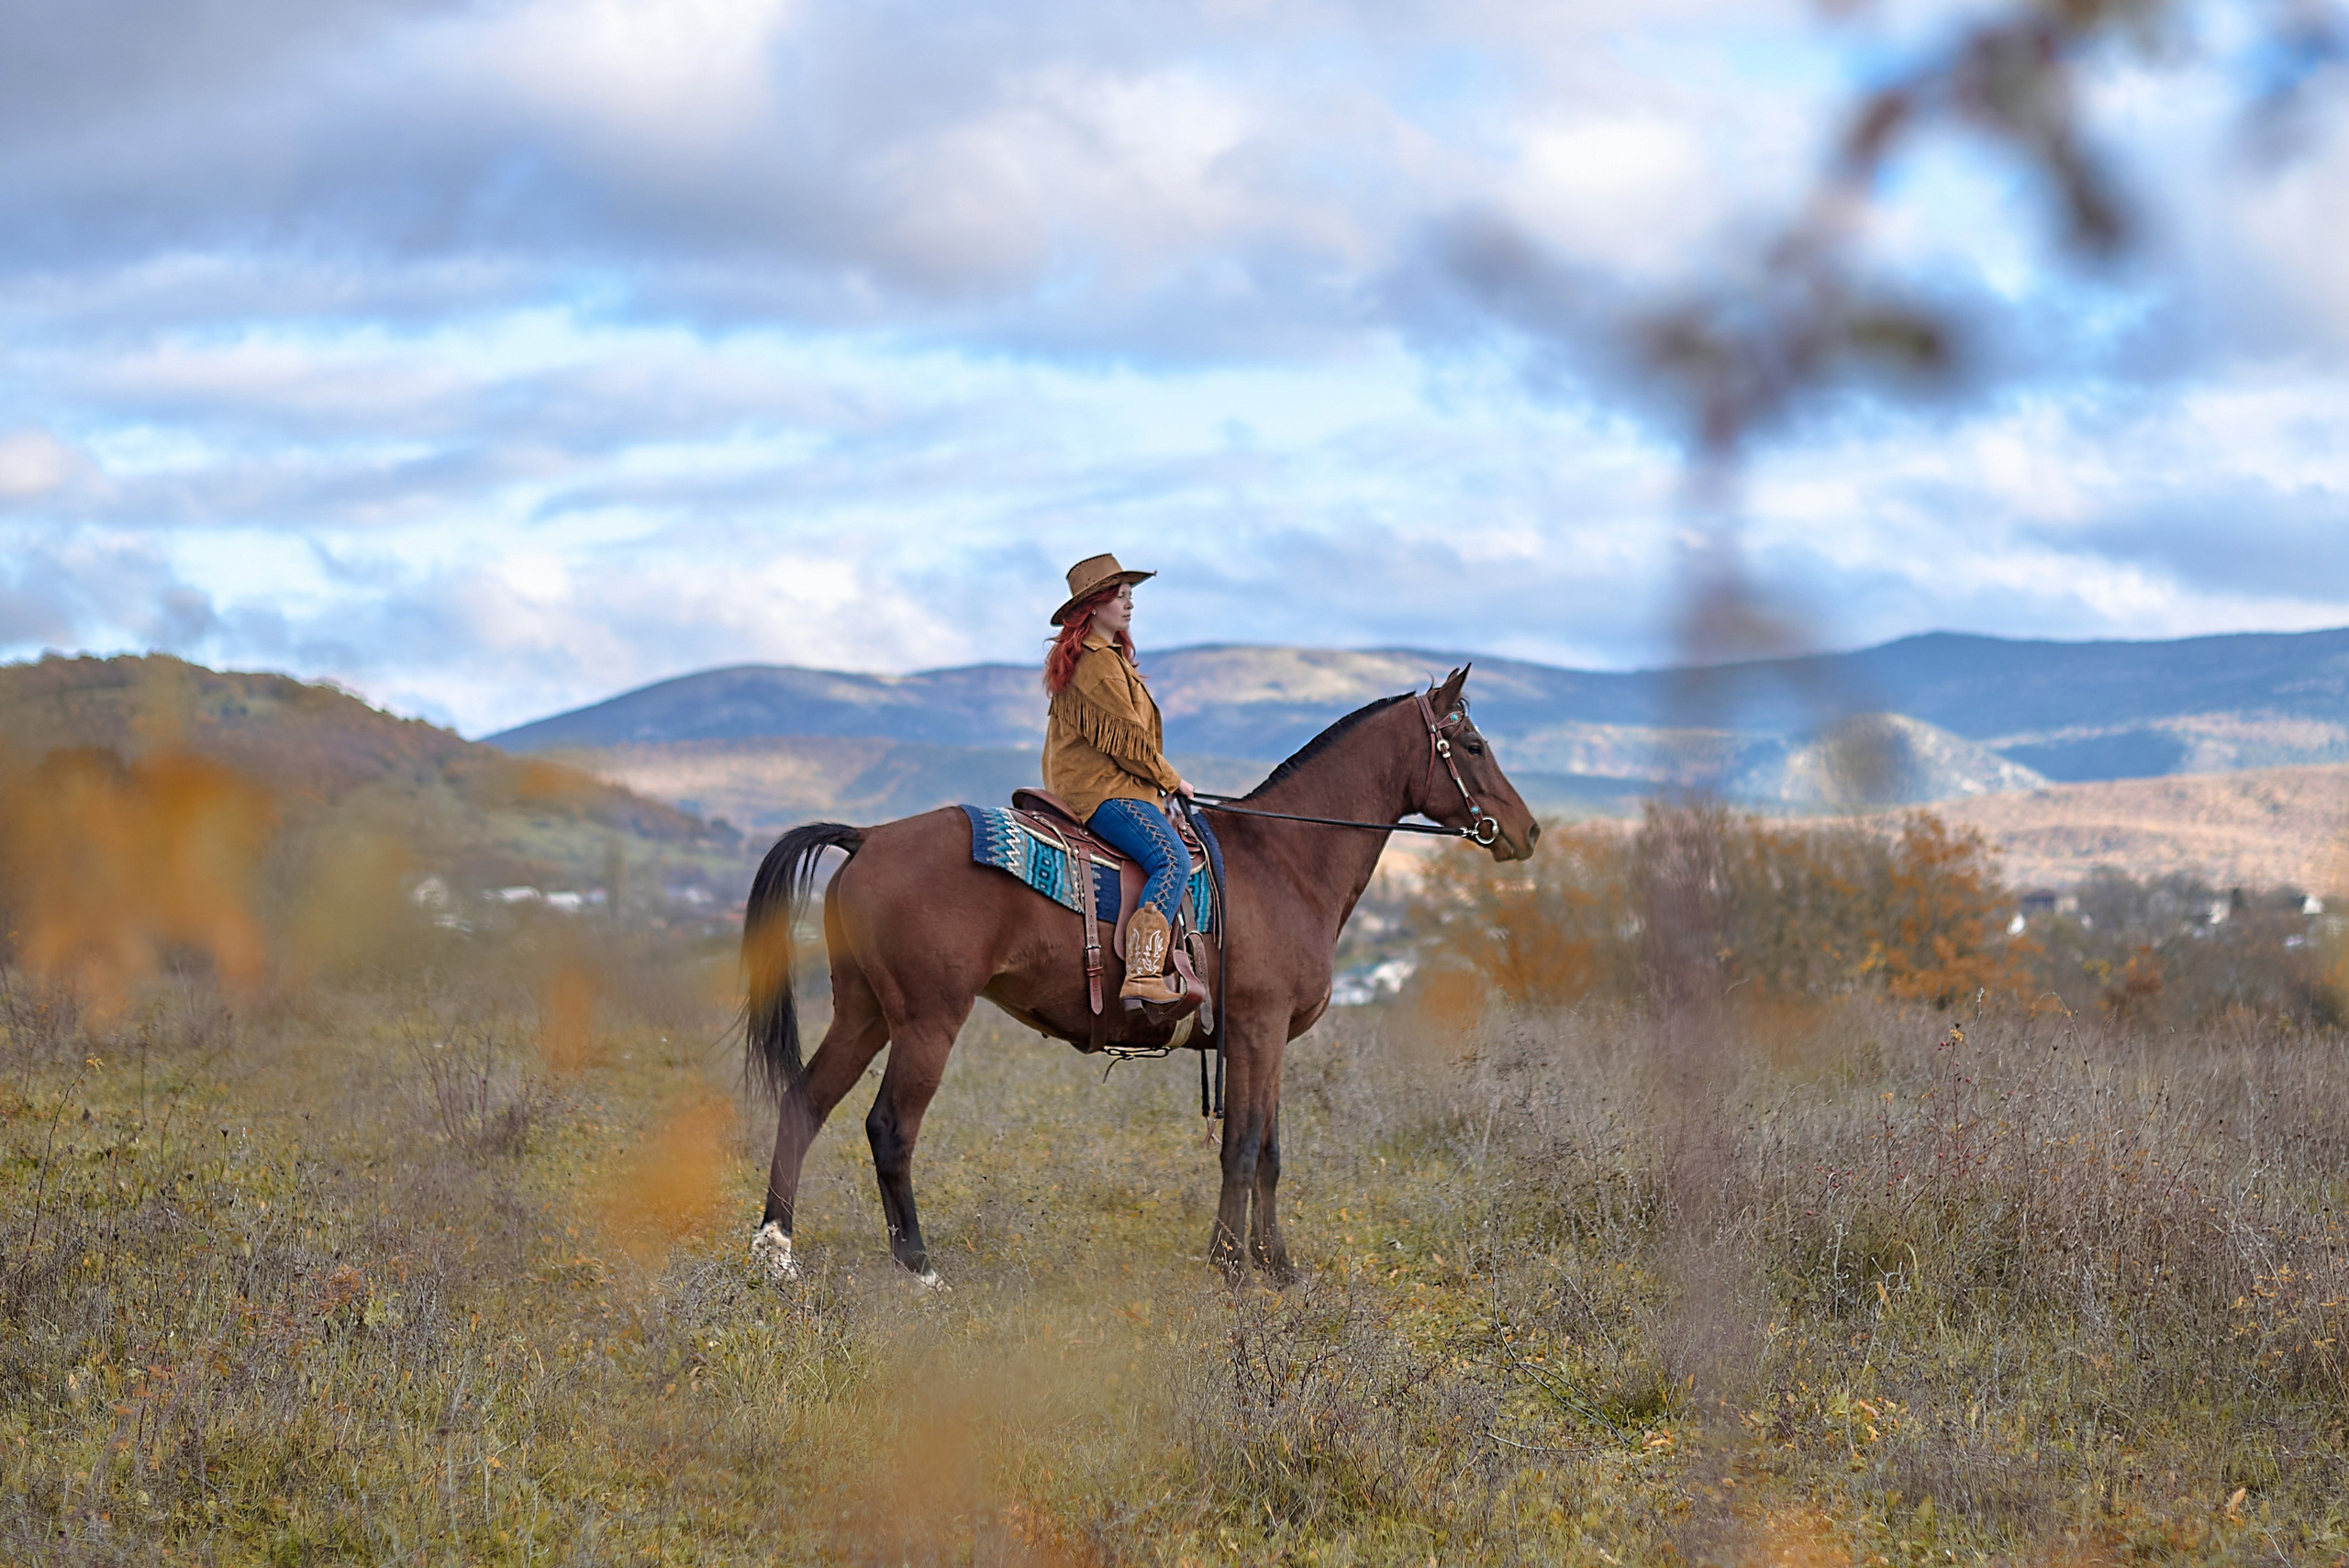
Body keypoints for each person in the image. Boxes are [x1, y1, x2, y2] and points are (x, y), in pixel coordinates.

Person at [1041, 552, 1193, 1006]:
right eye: (1120, 596)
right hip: (1105, 793)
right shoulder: (1098, 663)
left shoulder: (1109, 659)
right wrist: (1172, 780)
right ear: (1093, 606)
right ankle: (1143, 974)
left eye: (1130, 595)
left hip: (1110, 787)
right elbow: (1128, 742)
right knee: (1172, 861)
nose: (1129, 605)